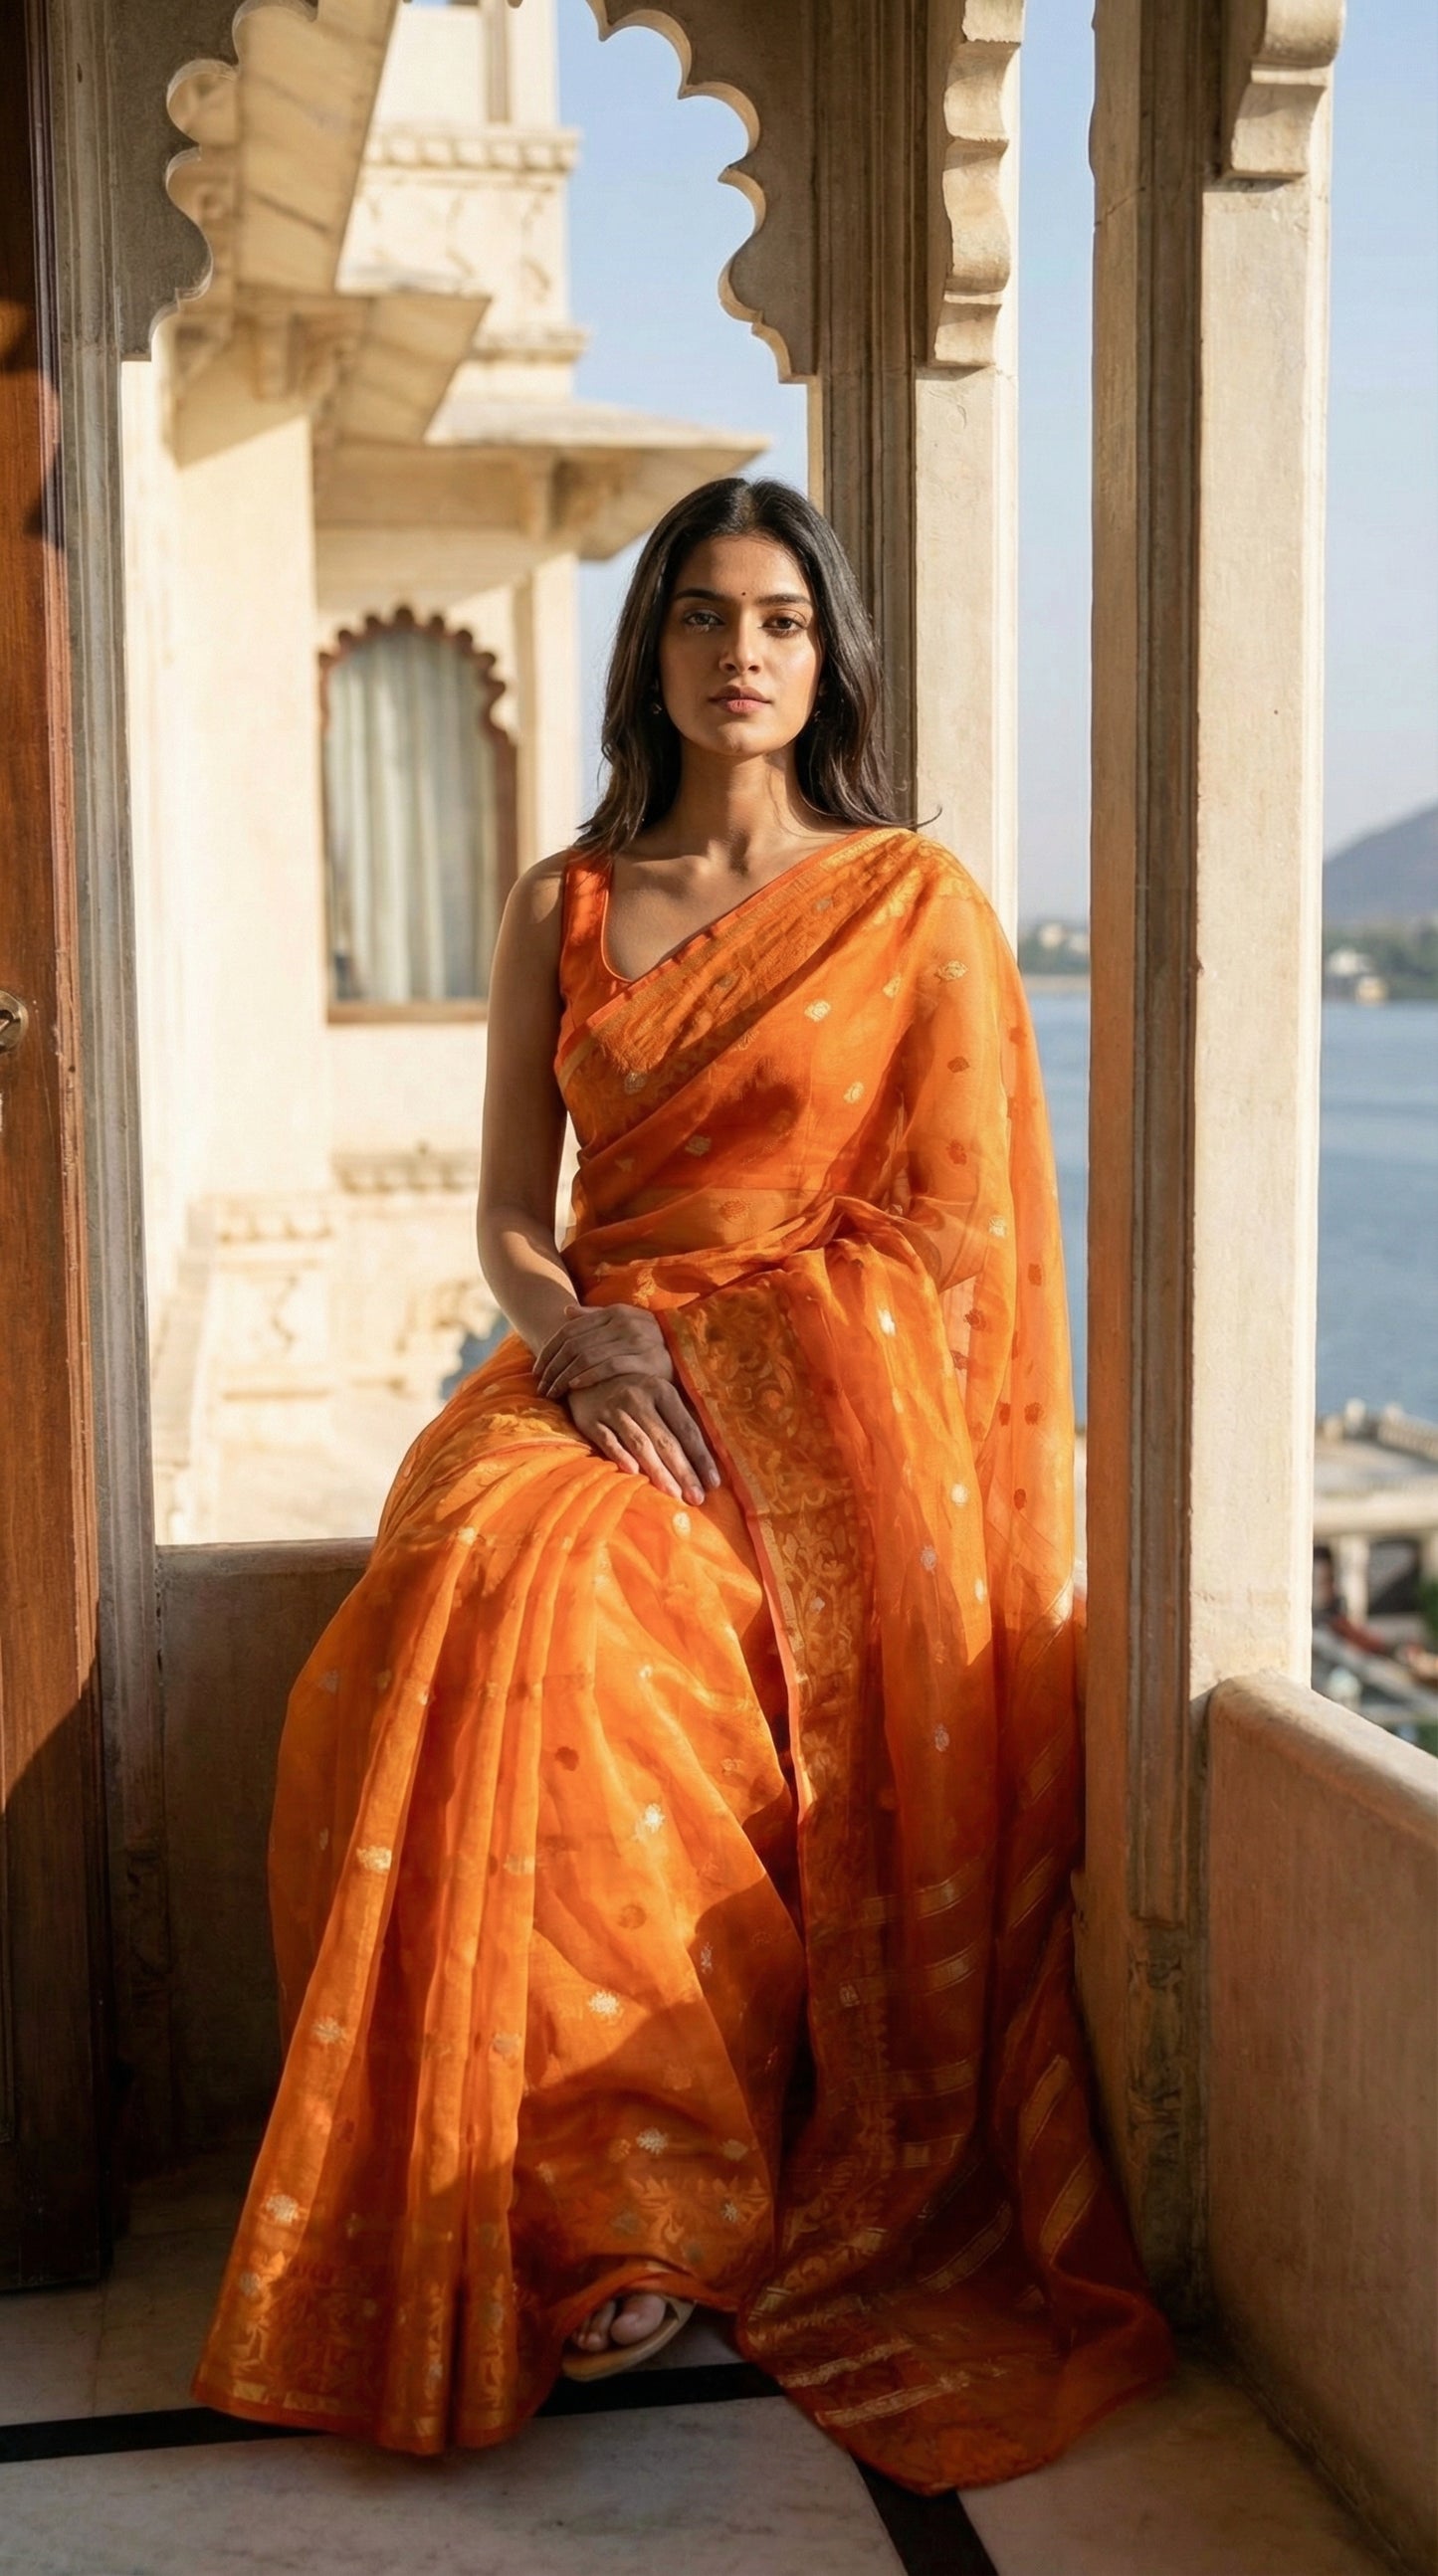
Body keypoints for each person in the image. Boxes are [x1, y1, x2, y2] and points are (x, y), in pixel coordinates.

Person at [195, 476, 1171, 2492]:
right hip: (594, 1361)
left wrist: (746, 1355)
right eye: (708, 615)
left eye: (784, 621)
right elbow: (508, 1213)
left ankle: (645, 2193)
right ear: (649, 647)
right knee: (464, 1569)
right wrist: (580, 1337)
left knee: (599, 1611)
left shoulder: (906, 901)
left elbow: (959, 1242)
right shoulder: (565, 898)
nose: (745, 653)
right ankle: (493, 2185)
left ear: (829, 659)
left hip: (804, 1406)